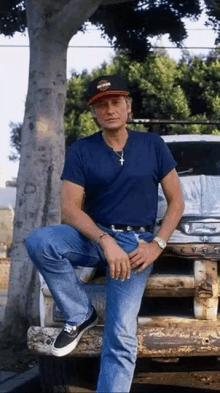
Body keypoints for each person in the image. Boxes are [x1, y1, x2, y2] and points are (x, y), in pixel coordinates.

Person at [26, 74, 184, 393]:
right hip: (93, 236)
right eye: (101, 105)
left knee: (120, 335)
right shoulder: (83, 150)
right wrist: (103, 239)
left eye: (115, 102)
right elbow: (70, 209)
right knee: (40, 241)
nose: (109, 109)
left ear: (128, 107)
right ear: (94, 112)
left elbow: (176, 201)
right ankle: (79, 313)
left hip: (135, 244)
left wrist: (157, 244)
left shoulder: (152, 145)